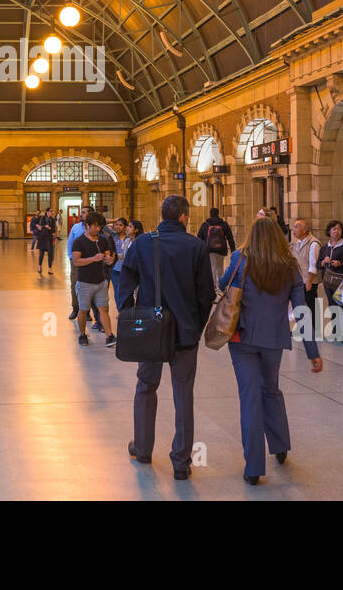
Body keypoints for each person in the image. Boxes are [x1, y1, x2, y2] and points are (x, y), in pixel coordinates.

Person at [117, 195, 214, 480]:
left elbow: (125, 281)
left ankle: (143, 448)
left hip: (150, 331)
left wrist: (129, 315)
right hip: (184, 332)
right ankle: (181, 462)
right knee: (183, 394)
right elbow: (206, 294)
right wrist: (196, 325)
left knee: (146, 385)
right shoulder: (196, 246)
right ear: (183, 217)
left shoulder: (144, 243)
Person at [221, 218, 323, 483]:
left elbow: (223, 284)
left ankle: (253, 468)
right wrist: (312, 351)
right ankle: (279, 446)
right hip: (274, 339)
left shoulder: (239, 258)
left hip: (242, 339)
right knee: (271, 390)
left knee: (250, 397)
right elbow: (301, 311)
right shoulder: (289, 265)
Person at [71, 213, 115, 346]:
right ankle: (83, 334)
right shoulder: (78, 242)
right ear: (87, 225)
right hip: (85, 282)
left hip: (101, 281)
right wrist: (93, 259)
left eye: (100, 226)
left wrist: (109, 259)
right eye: (95, 226)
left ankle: (109, 336)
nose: (98, 229)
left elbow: (107, 255)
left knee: (104, 309)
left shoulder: (102, 240)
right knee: (83, 310)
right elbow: (76, 262)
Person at [316, 220, 343, 342]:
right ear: (329, 231)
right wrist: (323, 262)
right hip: (328, 281)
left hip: (341, 281)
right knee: (332, 305)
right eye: (334, 229)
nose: (336, 232)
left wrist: (340, 264)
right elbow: (318, 264)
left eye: (339, 229)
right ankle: (335, 330)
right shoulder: (324, 248)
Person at [290, 220, 321, 316]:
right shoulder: (297, 242)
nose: (293, 229)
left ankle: (314, 329)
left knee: (311, 307)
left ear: (304, 230)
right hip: (300, 280)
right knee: (302, 308)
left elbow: (313, 265)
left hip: (309, 282)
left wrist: (309, 281)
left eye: (296, 227)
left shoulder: (313, 243)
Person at [197, 207, 235, 283]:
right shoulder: (224, 224)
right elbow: (230, 237)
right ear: (218, 214)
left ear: (210, 214)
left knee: (212, 267)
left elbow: (199, 238)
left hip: (209, 250)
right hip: (222, 250)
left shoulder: (205, 225)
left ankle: (213, 286)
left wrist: (200, 250)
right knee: (220, 267)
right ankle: (220, 285)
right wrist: (233, 249)